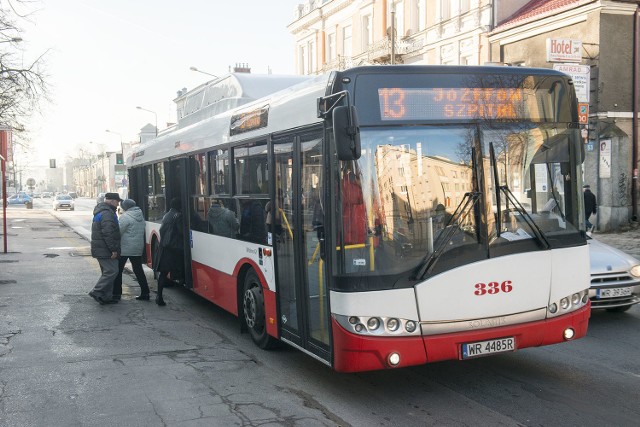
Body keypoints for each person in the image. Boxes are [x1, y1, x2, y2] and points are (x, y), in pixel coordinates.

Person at [113, 199, 150, 301]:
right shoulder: (140, 215)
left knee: (118, 270)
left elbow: (118, 232)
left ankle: (116, 294)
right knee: (138, 270)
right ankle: (145, 292)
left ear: (125, 207)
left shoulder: (125, 217)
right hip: (137, 247)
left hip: (125, 248)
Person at [88, 192, 122, 305]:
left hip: (101, 248)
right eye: (117, 202)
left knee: (107, 272)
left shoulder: (102, 211)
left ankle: (106, 297)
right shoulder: (107, 214)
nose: (118, 204)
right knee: (112, 271)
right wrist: (113, 249)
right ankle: (97, 291)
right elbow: (108, 233)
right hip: (105, 249)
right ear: (112, 201)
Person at [152, 197, 184, 306]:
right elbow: (181, 231)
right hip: (173, 248)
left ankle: (159, 296)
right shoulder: (178, 216)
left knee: (163, 273)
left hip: (164, 247)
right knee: (178, 267)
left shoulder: (166, 215)